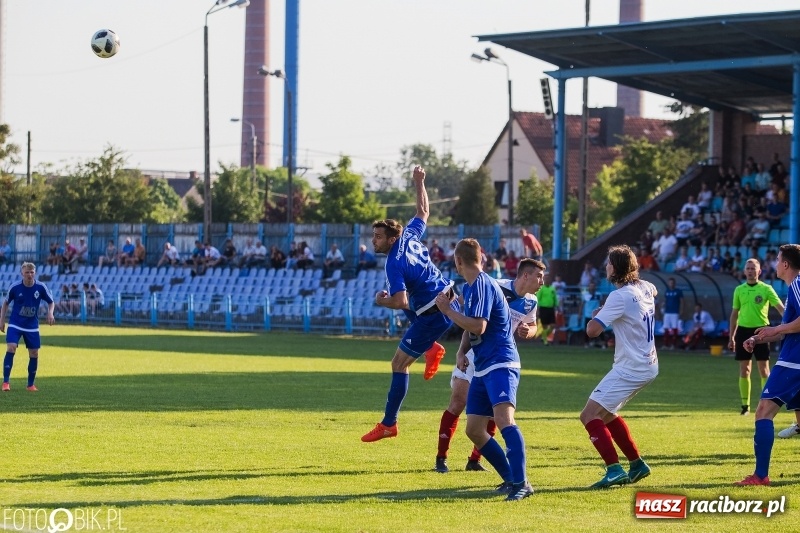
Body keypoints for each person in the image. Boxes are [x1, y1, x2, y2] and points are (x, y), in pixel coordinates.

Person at [433, 238, 535, 501]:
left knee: (504, 421)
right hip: (484, 365)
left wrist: (447, 310)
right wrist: (461, 350)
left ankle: (522, 482)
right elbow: (474, 327)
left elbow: (478, 326)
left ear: (458, 261)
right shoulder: (476, 285)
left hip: (501, 361)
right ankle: (510, 478)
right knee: (475, 429)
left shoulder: (481, 284)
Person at [361, 165, 457, 444]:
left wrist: (382, 301)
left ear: (391, 239)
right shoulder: (409, 236)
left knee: (398, 364)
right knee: (409, 298)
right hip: (447, 296)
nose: (373, 240)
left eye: (378, 237)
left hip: (434, 315)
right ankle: (432, 347)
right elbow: (423, 211)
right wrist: (419, 181)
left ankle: (389, 424)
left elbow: (400, 301)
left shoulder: (393, 263)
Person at [581, 244, 657, 488]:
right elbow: (652, 291)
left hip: (630, 368)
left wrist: (598, 315)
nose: (606, 266)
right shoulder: (644, 287)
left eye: (608, 262)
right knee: (607, 413)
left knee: (589, 415)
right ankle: (636, 464)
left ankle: (614, 469)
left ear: (615, 267)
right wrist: (607, 311)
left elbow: (592, 331)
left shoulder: (619, 296)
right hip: (649, 365)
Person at [736, 244, 800, 485]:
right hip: (794, 355)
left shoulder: (797, 284)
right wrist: (758, 337)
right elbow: (786, 330)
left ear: (785, 264)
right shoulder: (792, 289)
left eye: (777, 259)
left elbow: (789, 327)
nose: (775, 264)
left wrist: (778, 328)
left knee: (763, 411)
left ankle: (760, 475)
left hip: (794, 361)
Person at [728, 258, 784, 416]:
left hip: (762, 332)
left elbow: (781, 309)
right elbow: (734, 314)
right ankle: (745, 406)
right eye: (748, 268)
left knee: (764, 370)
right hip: (743, 332)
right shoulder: (739, 289)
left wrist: (787, 325)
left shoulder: (766, 289)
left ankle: (766, 402)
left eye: (754, 268)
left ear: (759, 271)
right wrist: (731, 336)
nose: (751, 271)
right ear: (744, 271)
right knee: (744, 369)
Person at [0, 262, 55, 392]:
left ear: (34, 273)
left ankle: (30, 385)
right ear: (22, 273)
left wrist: (50, 313)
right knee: (11, 347)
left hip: (32, 326)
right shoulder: (15, 287)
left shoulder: (41, 287)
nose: (30, 275)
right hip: (15, 323)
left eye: (32, 272)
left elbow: (51, 302)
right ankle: (6, 382)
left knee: (34, 353)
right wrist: (1, 320)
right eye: (27, 273)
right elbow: (5, 303)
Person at [660, 278, 684, 350]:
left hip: (675, 312)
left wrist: (682, 310)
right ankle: (665, 344)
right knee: (666, 328)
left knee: (674, 328)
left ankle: (673, 345)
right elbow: (665, 300)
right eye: (670, 283)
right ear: (668, 283)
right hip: (667, 312)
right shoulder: (667, 291)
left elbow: (682, 301)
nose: (671, 284)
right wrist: (663, 306)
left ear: (674, 283)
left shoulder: (678, 291)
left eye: (672, 283)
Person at [536, 274, 558, 346]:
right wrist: (537, 310)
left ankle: (544, 336)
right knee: (544, 326)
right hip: (543, 308)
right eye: (546, 278)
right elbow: (537, 299)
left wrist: (557, 305)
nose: (547, 280)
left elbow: (555, 298)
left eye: (548, 278)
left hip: (551, 308)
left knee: (553, 326)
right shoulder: (541, 288)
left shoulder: (552, 288)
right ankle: (545, 341)